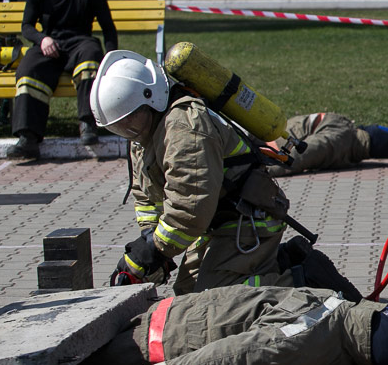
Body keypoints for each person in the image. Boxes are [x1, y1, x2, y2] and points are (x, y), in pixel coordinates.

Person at [90, 49, 302, 295]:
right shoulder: (142, 133)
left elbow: (190, 206)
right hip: (214, 223)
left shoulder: (185, 129)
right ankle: (277, 263)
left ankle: (301, 282)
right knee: (188, 296)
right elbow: (144, 193)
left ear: (151, 100)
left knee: (215, 299)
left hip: (248, 220)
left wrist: (154, 249)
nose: (127, 131)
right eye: (118, 127)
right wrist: (150, 236)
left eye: (130, 121)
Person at [61, 285, 388, 365]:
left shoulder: (337, 306)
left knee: (57, 362)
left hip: (162, 326)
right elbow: (233, 356)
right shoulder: (310, 340)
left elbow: (230, 354)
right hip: (159, 338)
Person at [7, 0, 116, 159]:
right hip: (51, 45)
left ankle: (88, 124)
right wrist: (42, 39)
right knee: (28, 70)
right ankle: (28, 138)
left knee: (91, 55)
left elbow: (108, 29)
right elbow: (26, 27)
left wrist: (112, 59)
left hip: (80, 43)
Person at [261, 112, 388, 177]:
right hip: (261, 141)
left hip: (259, 141)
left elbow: (301, 155)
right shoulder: (339, 140)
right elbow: (301, 156)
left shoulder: (338, 139)